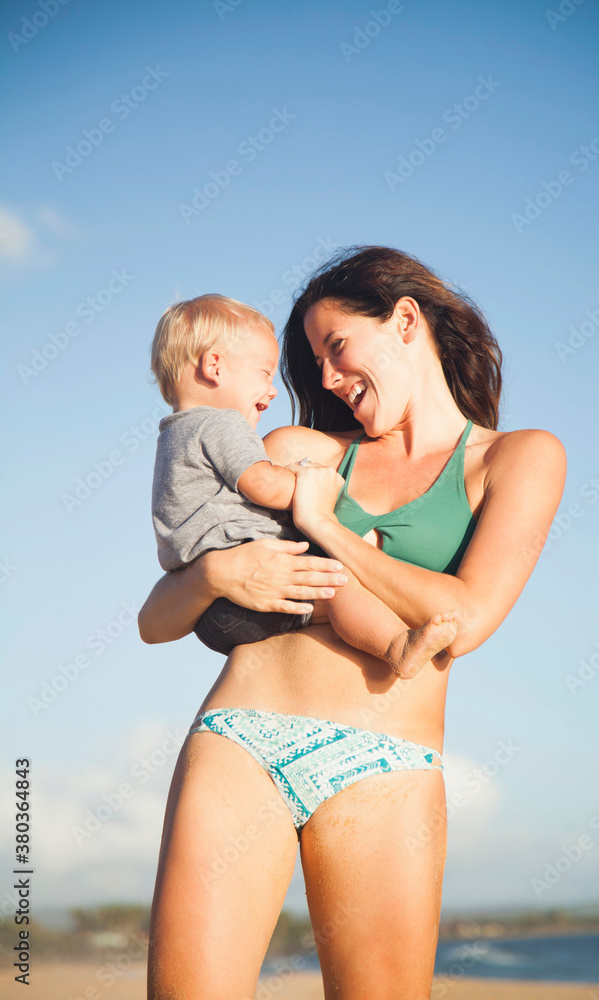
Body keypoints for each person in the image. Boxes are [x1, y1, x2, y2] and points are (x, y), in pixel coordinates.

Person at [139, 246, 567, 1000]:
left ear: (405, 320)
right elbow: (158, 614)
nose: (329, 378)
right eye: (316, 362)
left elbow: (463, 618)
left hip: (384, 766)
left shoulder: (518, 458)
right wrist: (213, 576)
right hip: (241, 737)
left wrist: (327, 527)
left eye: (336, 347)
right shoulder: (297, 451)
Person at [150, 293, 459, 678]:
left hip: (212, 617)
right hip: (249, 591)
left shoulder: (171, 437)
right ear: (214, 366)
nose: (273, 389)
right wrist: (307, 481)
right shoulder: (221, 423)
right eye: (264, 373)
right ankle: (396, 646)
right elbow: (262, 483)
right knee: (335, 583)